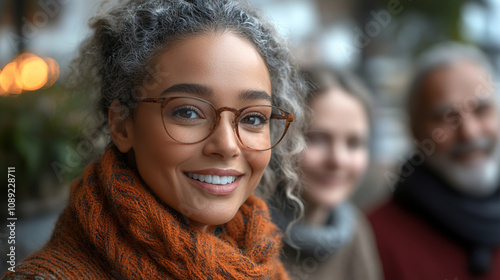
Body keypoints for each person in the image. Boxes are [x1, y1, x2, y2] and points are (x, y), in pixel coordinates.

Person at [2, 0, 307, 279]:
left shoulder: (266, 267)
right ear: (122, 125)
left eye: (253, 118)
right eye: (188, 112)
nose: (227, 145)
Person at [369, 42, 500, 280]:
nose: (470, 132)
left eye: (481, 110)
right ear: (415, 131)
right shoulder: (373, 239)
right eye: (446, 117)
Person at [270, 66, 382, 280]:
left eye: (354, 143)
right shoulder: (243, 235)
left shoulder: (355, 231)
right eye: (317, 138)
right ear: (279, 138)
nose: (338, 160)